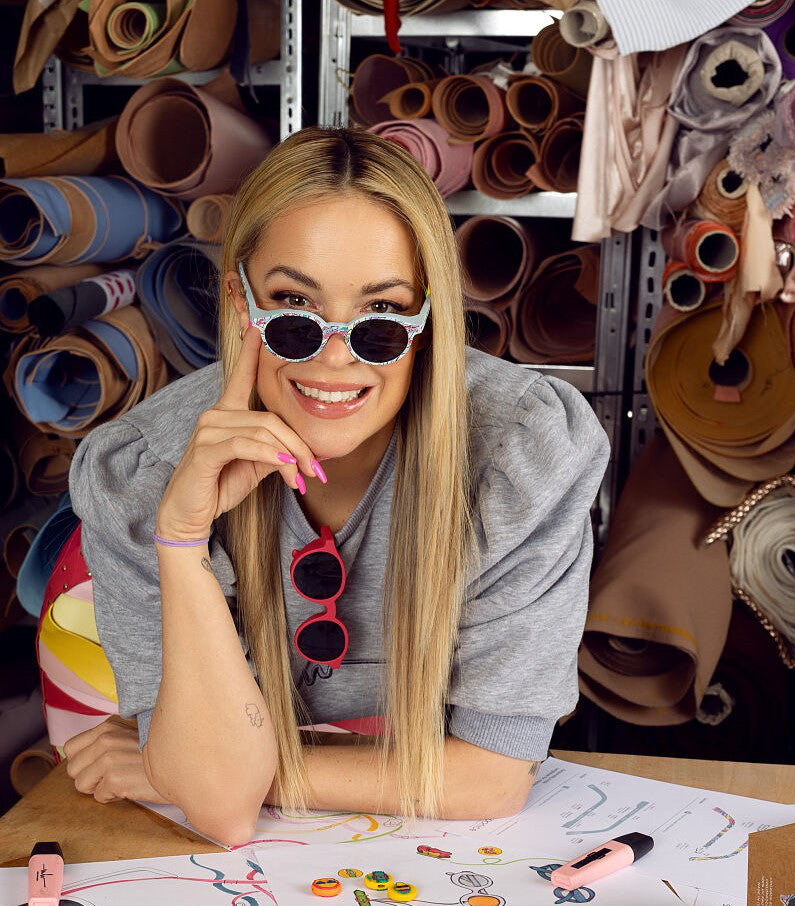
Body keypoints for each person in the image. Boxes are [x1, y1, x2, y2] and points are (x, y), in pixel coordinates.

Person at [63, 126, 609, 846]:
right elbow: (222, 813)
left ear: (428, 320)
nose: (334, 360)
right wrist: (182, 540)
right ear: (241, 304)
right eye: (294, 309)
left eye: (381, 317)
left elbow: (493, 779)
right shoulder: (143, 472)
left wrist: (195, 768)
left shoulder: (522, 454)